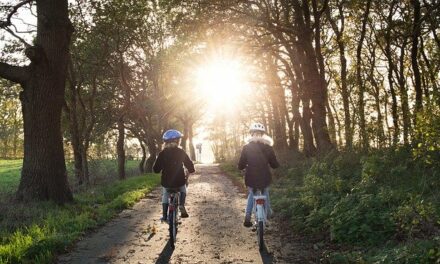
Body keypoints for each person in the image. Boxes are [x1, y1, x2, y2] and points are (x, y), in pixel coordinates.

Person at [238, 122, 280, 227]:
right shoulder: (269, 147)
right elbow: (274, 164)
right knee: (265, 190)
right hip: (265, 176)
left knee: (252, 193)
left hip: (251, 176)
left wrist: (242, 167)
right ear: (263, 134)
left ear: (251, 134)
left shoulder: (246, 147)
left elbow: (241, 165)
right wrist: (275, 165)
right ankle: (268, 214)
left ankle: (247, 217)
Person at [153, 129, 195, 220]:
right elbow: (189, 164)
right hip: (179, 181)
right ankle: (181, 205)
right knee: (183, 189)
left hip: (166, 182)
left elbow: (156, 169)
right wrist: (191, 170)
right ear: (178, 141)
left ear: (165, 142)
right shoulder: (181, 152)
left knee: (165, 194)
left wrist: (159, 169)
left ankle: (164, 215)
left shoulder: (162, 154)